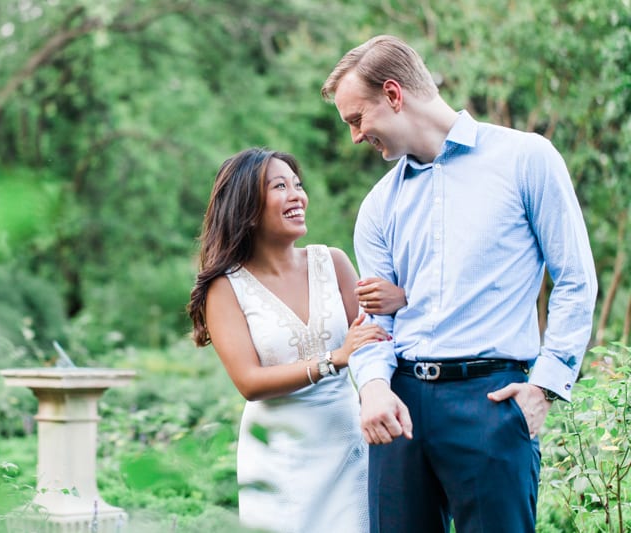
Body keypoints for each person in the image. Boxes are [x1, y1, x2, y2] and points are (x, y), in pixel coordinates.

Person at [320, 35, 597, 533]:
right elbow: (376, 320)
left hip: (491, 405)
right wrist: (375, 388)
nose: (356, 137)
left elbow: (575, 279)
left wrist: (545, 386)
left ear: (393, 94)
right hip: (398, 407)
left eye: (357, 119)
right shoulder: (378, 207)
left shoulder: (526, 159)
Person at [187, 147, 405, 532]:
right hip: (278, 460)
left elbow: (376, 337)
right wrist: (334, 358)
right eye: (280, 186)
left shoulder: (332, 261)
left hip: (346, 442)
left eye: (298, 185)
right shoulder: (225, 288)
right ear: (247, 207)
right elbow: (249, 383)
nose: (297, 195)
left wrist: (400, 299)